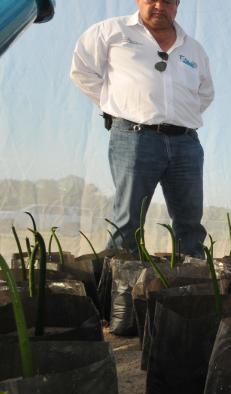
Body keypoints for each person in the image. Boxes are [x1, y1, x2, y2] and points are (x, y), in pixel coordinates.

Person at [70, 0, 214, 257]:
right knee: (128, 222)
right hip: (134, 137)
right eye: (152, 0)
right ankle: (122, 293)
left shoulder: (194, 49)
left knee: (190, 224)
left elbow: (204, 94)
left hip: (185, 143)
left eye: (167, 1)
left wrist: (177, 116)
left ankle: (192, 290)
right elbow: (82, 70)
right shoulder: (111, 32)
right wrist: (117, 107)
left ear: (177, 4)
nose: (159, 6)